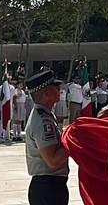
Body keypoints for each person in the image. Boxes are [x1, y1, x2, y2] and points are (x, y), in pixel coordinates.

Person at [23, 69, 70, 205]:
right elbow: (53, 161)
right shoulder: (43, 121)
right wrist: (72, 142)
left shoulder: (46, 115)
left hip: (50, 186)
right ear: (47, 93)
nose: (59, 89)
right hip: (48, 188)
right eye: (55, 87)